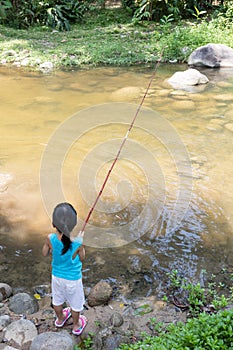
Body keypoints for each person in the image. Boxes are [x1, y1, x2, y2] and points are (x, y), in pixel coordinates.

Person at [42, 202, 87, 336]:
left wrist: (50, 247)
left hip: (56, 277)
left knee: (57, 300)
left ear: (53, 224)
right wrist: (81, 243)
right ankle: (76, 325)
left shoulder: (50, 238)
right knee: (75, 304)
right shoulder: (78, 242)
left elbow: (45, 253)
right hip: (73, 279)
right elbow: (82, 258)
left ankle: (60, 319)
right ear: (74, 224)